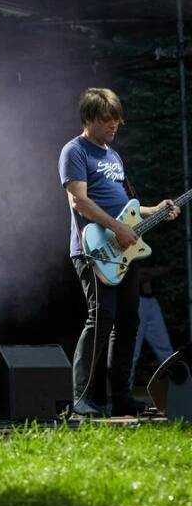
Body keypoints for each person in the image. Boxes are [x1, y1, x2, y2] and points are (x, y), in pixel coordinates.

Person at [58, 87, 180, 417]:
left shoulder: (113, 156)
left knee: (128, 321)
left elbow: (128, 207)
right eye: (106, 120)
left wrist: (156, 208)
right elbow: (79, 201)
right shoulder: (74, 151)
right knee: (101, 317)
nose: (113, 125)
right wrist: (117, 228)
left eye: (117, 120)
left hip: (122, 249)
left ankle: (121, 396)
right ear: (88, 119)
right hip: (93, 246)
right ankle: (80, 397)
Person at [130, 267, 174, 388]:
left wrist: (148, 272)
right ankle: (123, 394)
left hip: (152, 301)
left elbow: (166, 268)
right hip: (136, 301)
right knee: (133, 352)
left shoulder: (154, 252)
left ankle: (176, 390)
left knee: (165, 349)